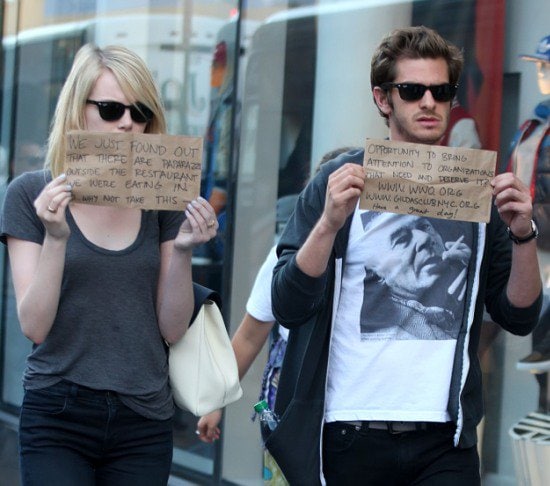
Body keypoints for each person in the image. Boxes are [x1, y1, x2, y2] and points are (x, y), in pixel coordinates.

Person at [270, 26, 542, 485]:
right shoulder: (340, 179)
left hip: (444, 439)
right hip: (349, 429)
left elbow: (519, 315)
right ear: (383, 99)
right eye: (412, 91)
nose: (429, 103)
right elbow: (289, 303)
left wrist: (523, 233)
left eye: (441, 91)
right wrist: (329, 223)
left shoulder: (477, 188)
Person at [0, 44, 218, 486]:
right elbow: (34, 326)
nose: (127, 122)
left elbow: (172, 328)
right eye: (111, 108)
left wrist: (181, 250)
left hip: (142, 417)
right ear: (77, 111)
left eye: (139, 113)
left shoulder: (162, 200)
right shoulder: (30, 195)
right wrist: (57, 238)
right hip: (58, 411)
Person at [510, 34, 550, 377]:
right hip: (529, 232)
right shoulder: (533, 124)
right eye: (540, 65)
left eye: (547, 66)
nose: (542, 72)